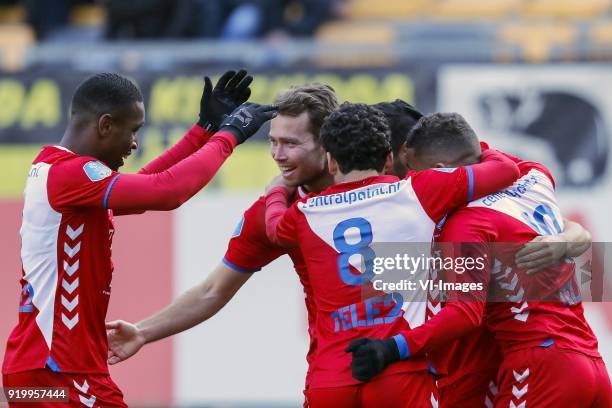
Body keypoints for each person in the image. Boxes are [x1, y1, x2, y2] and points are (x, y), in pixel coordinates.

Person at [1, 70, 276, 407]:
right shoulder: (70, 173)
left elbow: (149, 183)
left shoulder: (57, 170)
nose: (134, 143)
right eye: (132, 131)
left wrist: (204, 130)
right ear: (105, 125)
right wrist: (229, 135)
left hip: (40, 369)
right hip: (61, 369)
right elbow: (167, 191)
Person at [263, 103, 524, 407]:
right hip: (399, 372)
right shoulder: (417, 191)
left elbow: (273, 227)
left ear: (331, 162)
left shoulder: (301, 215)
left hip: (332, 378)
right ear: (389, 159)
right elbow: (506, 170)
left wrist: (277, 191)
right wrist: (476, 147)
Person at [347, 113, 610, 407]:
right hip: (591, 361)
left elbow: (464, 313)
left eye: (416, 172)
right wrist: (571, 238)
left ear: (441, 169)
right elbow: (496, 162)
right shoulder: (534, 176)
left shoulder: (466, 224)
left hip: (539, 364)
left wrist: (392, 348)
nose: (413, 182)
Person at [105, 83, 340, 405]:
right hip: (334, 375)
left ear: (327, 145)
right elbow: (212, 290)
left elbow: (420, 288)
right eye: (273, 141)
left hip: (400, 370)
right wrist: (143, 332)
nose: (277, 155)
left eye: (290, 143)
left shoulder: (388, 192)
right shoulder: (272, 210)